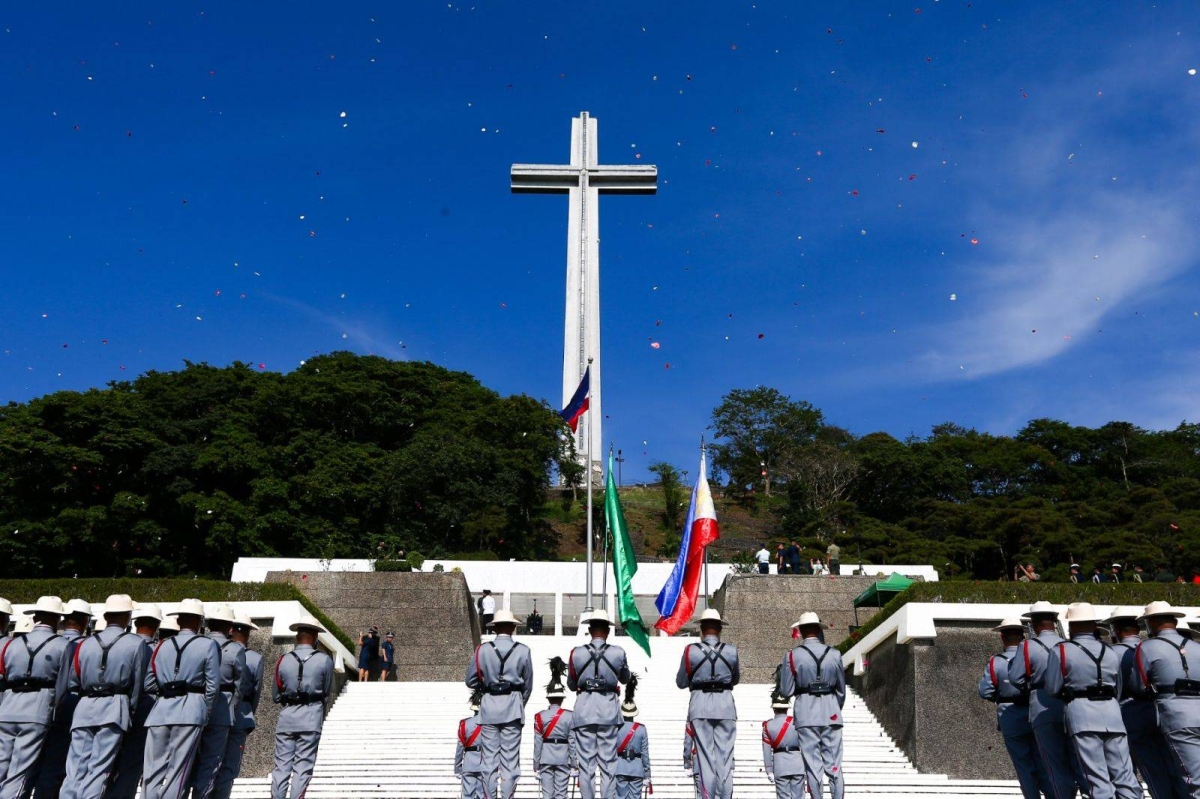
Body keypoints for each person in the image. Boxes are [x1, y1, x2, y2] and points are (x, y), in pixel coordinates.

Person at [1044, 602, 1141, 798]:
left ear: (1071, 626)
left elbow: (1052, 688)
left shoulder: (1062, 650)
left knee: (1096, 777)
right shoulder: (1111, 650)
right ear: (1094, 625)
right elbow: (1118, 687)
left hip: (1082, 713)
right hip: (1112, 712)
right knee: (1124, 774)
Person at [60, 594, 145, 799]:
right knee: (100, 768)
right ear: (127, 616)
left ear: (106, 616)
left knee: (75, 768)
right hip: (115, 706)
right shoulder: (135, 643)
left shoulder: (85, 644)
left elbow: (73, 680)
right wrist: (130, 711)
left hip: (85, 706)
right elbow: (137, 684)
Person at [1006, 601, 1090, 799]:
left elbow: (1016, 677)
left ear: (1033, 624)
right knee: (1079, 760)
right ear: (1054, 622)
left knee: (1054, 763)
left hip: (1042, 704)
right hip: (1071, 705)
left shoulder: (1028, 646)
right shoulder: (1068, 644)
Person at [142, 598, 221, 799]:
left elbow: (149, 683)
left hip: (160, 710)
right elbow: (212, 686)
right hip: (191, 709)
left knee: (152, 771)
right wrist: (206, 710)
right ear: (199, 622)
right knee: (179, 771)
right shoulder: (208, 645)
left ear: (178, 621)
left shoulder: (162, 645)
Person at [0, 596, 70, 797]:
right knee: (20, 772)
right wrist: (53, 711)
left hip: (7, 708)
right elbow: (62, 686)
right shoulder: (61, 644)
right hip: (37, 710)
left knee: (1, 764)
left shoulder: (12, 643)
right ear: (57, 619)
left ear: (36, 617)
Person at [1108, 607, 1179, 799]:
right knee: (1171, 764)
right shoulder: (1156, 647)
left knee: (1143, 768)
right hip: (1160, 709)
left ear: (1116, 630)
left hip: (1129, 712)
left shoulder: (1112, 652)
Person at [977, 617, 1050, 799]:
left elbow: (984, 691)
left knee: (1023, 766)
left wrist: (1001, 698)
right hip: (1037, 712)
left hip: (1010, 717)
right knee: (1043, 762)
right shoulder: (1033, 656)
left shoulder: (996, 662)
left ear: (1002, 637)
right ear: (1022, 636)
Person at [1132, 601, 1200, 796]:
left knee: (1193, 778)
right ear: (1174, 623)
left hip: (1177, 715)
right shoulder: (1196, 646)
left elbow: (1139, 684)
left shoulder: (1147, 647)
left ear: (1152, 623)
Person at [464, 609, 533, 799]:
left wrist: (487, 684)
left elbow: (470, 680)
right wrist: (518, 702)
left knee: (488, 760)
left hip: (489, 708)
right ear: (512, 627)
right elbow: (528, 685)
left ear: (494, 628)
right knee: (510, 761)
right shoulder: (523, 650)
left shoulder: (483, 650)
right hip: (513, 707)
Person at [780, 611, 846, 799]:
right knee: (834, 765)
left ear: (800, 631)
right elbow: (841, 690)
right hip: (831, 712)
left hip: (806, 714)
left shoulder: (792, 656)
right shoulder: (834, 654)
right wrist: (833, 707)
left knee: (813, 766)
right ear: (818, 630)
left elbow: (786, 691)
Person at [567, 608, 631, 799]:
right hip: (608, 710)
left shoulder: (576, 653)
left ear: (590, 629)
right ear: (608, 631)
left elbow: (571, 684)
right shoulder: (618, 652)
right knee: (608, 764)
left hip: (585, 709)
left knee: (586, 764)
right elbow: (625, 678)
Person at [677, 609, 739, 799]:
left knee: (705, 760)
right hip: (725, 705)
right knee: (725, 761)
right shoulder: (731, 651)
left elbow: (681, 682)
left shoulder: (691, 651)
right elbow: (735, 679)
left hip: (700, 704)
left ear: (702, 629)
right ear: (720, 629)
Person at [34, 596, 92, 797]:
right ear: (85, 621)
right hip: (73, 703)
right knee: (63, 758)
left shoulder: (53, 641)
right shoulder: (87, 645)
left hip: (41, 704)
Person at [272, 613, 334, 799]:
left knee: (281, 766)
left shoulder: (283, 660)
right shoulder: (324, 660)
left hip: (287, 717)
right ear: (315, 637)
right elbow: (326, 693)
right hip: (311, 717)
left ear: (297, 637)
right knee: (303, 767)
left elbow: (276, 695)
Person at [188, 603, 247, 797]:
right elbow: (239, 686)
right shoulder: (236, 650)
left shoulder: (197, 644)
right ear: (229, 627)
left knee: (189, 760)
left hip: (195, 707)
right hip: (222, 710)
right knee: (211, 761)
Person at [109, 603, 162, 796]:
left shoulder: (121, 643)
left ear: (135, 622)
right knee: (132, 762)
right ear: (157, 626)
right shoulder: (159, 649)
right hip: (144, 710)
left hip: (112, 708)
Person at [213, 612, 264, 799]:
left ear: (231, 630)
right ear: (248, 634)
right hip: (241, 713)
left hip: (214, 711)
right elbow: (255, 693)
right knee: (229, 766)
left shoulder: (216, 649)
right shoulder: (254, 658)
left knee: (209, 762)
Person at [533, 659, 576, 799]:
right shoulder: (570, 716)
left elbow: (537, 743)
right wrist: (574, 762)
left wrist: (536, 763)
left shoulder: (539, 716)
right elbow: (572, 741)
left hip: (546, 757)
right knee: (561, 794)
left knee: (547, 795)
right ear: (562, 698)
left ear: (548, 699)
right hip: (563, 757)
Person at [762, 689, 804, 799]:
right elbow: (805, 745)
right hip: (797, 764)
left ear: (774, 708)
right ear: (787, 708)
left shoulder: (767, 726)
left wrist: (769, 770)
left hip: (780, 766)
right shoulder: (797, 722)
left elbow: (766, 751)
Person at [615, 678, 650, 799]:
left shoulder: (616, 728)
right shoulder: (641, 729)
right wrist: (647, 773)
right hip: (637, 768)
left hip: (619, 767)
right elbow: (645, 753)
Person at [456, 689, 486, 799]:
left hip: (468, 763)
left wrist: (457, 767)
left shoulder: (464, 724)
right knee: (483, 795)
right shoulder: (490, 724)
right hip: (485, 762)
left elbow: (460, 747)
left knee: (467, 795)